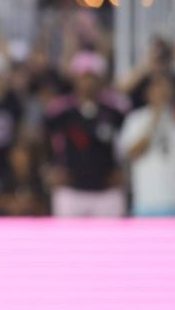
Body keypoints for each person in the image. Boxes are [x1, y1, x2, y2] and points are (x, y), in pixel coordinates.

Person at [45, 51, 127, 217]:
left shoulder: (115, 109)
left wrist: (124, 170)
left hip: (107, 191)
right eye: (83, 77)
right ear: (75, 78)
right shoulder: (60, 110)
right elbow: (43, 140)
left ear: (100, 79)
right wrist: (48, 170)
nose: (88, 82)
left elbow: (127, 140)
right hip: (70, 190)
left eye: (92, 77)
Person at [120, 74, 175, 217]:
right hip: (149, 203)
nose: (162, 92)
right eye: (157, 87)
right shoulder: (136, 119)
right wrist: (153, 122)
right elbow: (131, 154)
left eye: (167, 87)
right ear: (147, 92)